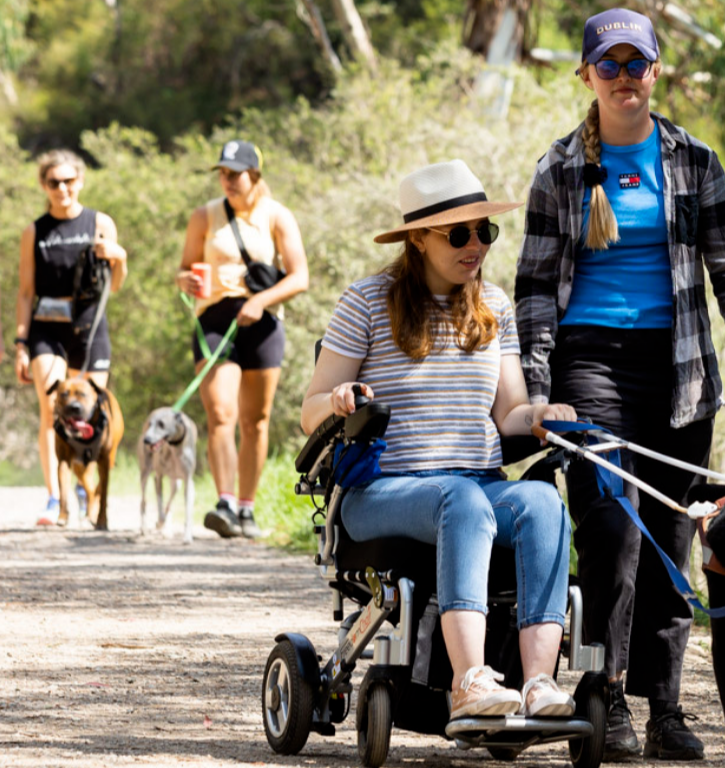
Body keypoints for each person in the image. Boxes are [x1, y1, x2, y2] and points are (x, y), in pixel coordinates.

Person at [516, 8, 725, 761]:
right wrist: (537, 392)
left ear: (657, 71)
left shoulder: (694, 161)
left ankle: (666, 709)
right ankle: (604, 698)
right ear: (587, 74)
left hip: (681, 370)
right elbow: (533, 290)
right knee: (611, 532)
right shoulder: (559, 168)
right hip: (588, 368)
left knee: (673, 536)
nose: (624, 79)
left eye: (637, 65)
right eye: (609, 65)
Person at [301, 159, 577, 719]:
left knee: (545, 501)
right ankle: (469, 681)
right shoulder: (366, 301)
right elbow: (310, 412)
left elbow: (509, 415)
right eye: (458, 234)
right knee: (464, 499)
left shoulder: (493, 305)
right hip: (381, 493)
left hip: (473, 485)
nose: (475, 245)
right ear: (418, 240)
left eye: (485, 232)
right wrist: (336, 401)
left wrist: (544, 413)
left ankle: (538, 684)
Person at [177, 140, 309, 539]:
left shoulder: (277, 216)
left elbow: (299, 276)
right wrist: (185, 279)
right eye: (222, 173)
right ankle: (225, 503)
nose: (227, 180)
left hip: (263, 319)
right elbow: (184, 270)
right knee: (220, 412)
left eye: (235, 173)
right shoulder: (204, 216)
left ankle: (248, 509)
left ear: (255, 175)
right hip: (215, 319)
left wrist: (261, 301)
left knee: (256, 420)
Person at [15, 149, 129, 524]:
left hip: (90, 324)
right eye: (53, 182)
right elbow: (25, 291)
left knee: (94, 409)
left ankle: (86, 487)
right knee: (54, 408)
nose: (62, 188)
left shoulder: (100, 223)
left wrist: (118, 256)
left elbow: (117, 284)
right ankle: (55, 497)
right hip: (47, 326)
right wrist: (20, 343)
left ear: (80, 182)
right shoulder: (36, 231)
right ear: (44, 186)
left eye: (68, 181)